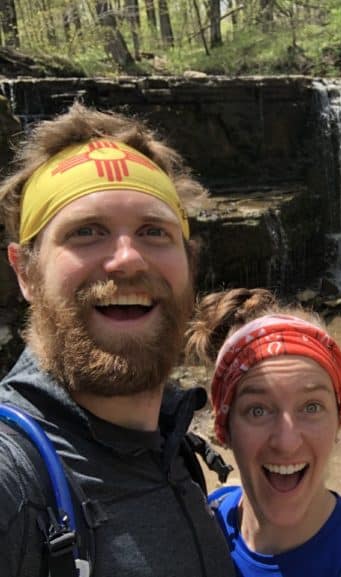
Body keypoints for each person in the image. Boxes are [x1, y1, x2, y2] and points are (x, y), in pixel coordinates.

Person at [0, 103, 236, 577]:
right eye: (87, 232)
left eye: (154, 231)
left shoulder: (177, 450)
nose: (128, 260)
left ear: (189, 263)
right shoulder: (15, 484)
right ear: (25, 271)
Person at [185, 288, 341, 577]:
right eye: (258, 410)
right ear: (223, 428)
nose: (287, 443)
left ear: (340, 420)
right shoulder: (201, 528)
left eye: (311, 407)